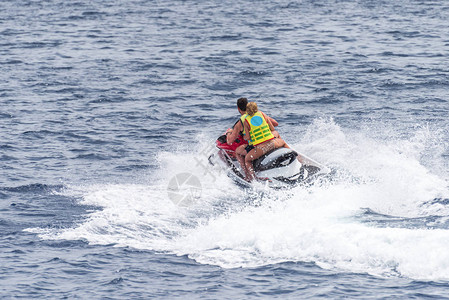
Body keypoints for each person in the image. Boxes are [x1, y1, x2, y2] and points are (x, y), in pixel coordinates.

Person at [226, 98, 280, 178]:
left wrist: (229, 133)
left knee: (238, 152)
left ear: (238, 108)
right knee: (275, 133)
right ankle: (281, 146)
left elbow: (230, 141)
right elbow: (275, 123)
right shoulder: (259, 113)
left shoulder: (241, 122)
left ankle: (248, 175)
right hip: (269, 141)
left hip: (257, 145)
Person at [243, 102, 289, 182]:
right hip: (273, 143)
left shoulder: (246, 121)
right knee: (283, 142)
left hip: (261, 149)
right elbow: (272, 129)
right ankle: (298, 158)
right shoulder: (262, 114)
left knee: (247, 160)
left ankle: (253, 179)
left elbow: (247, 137)